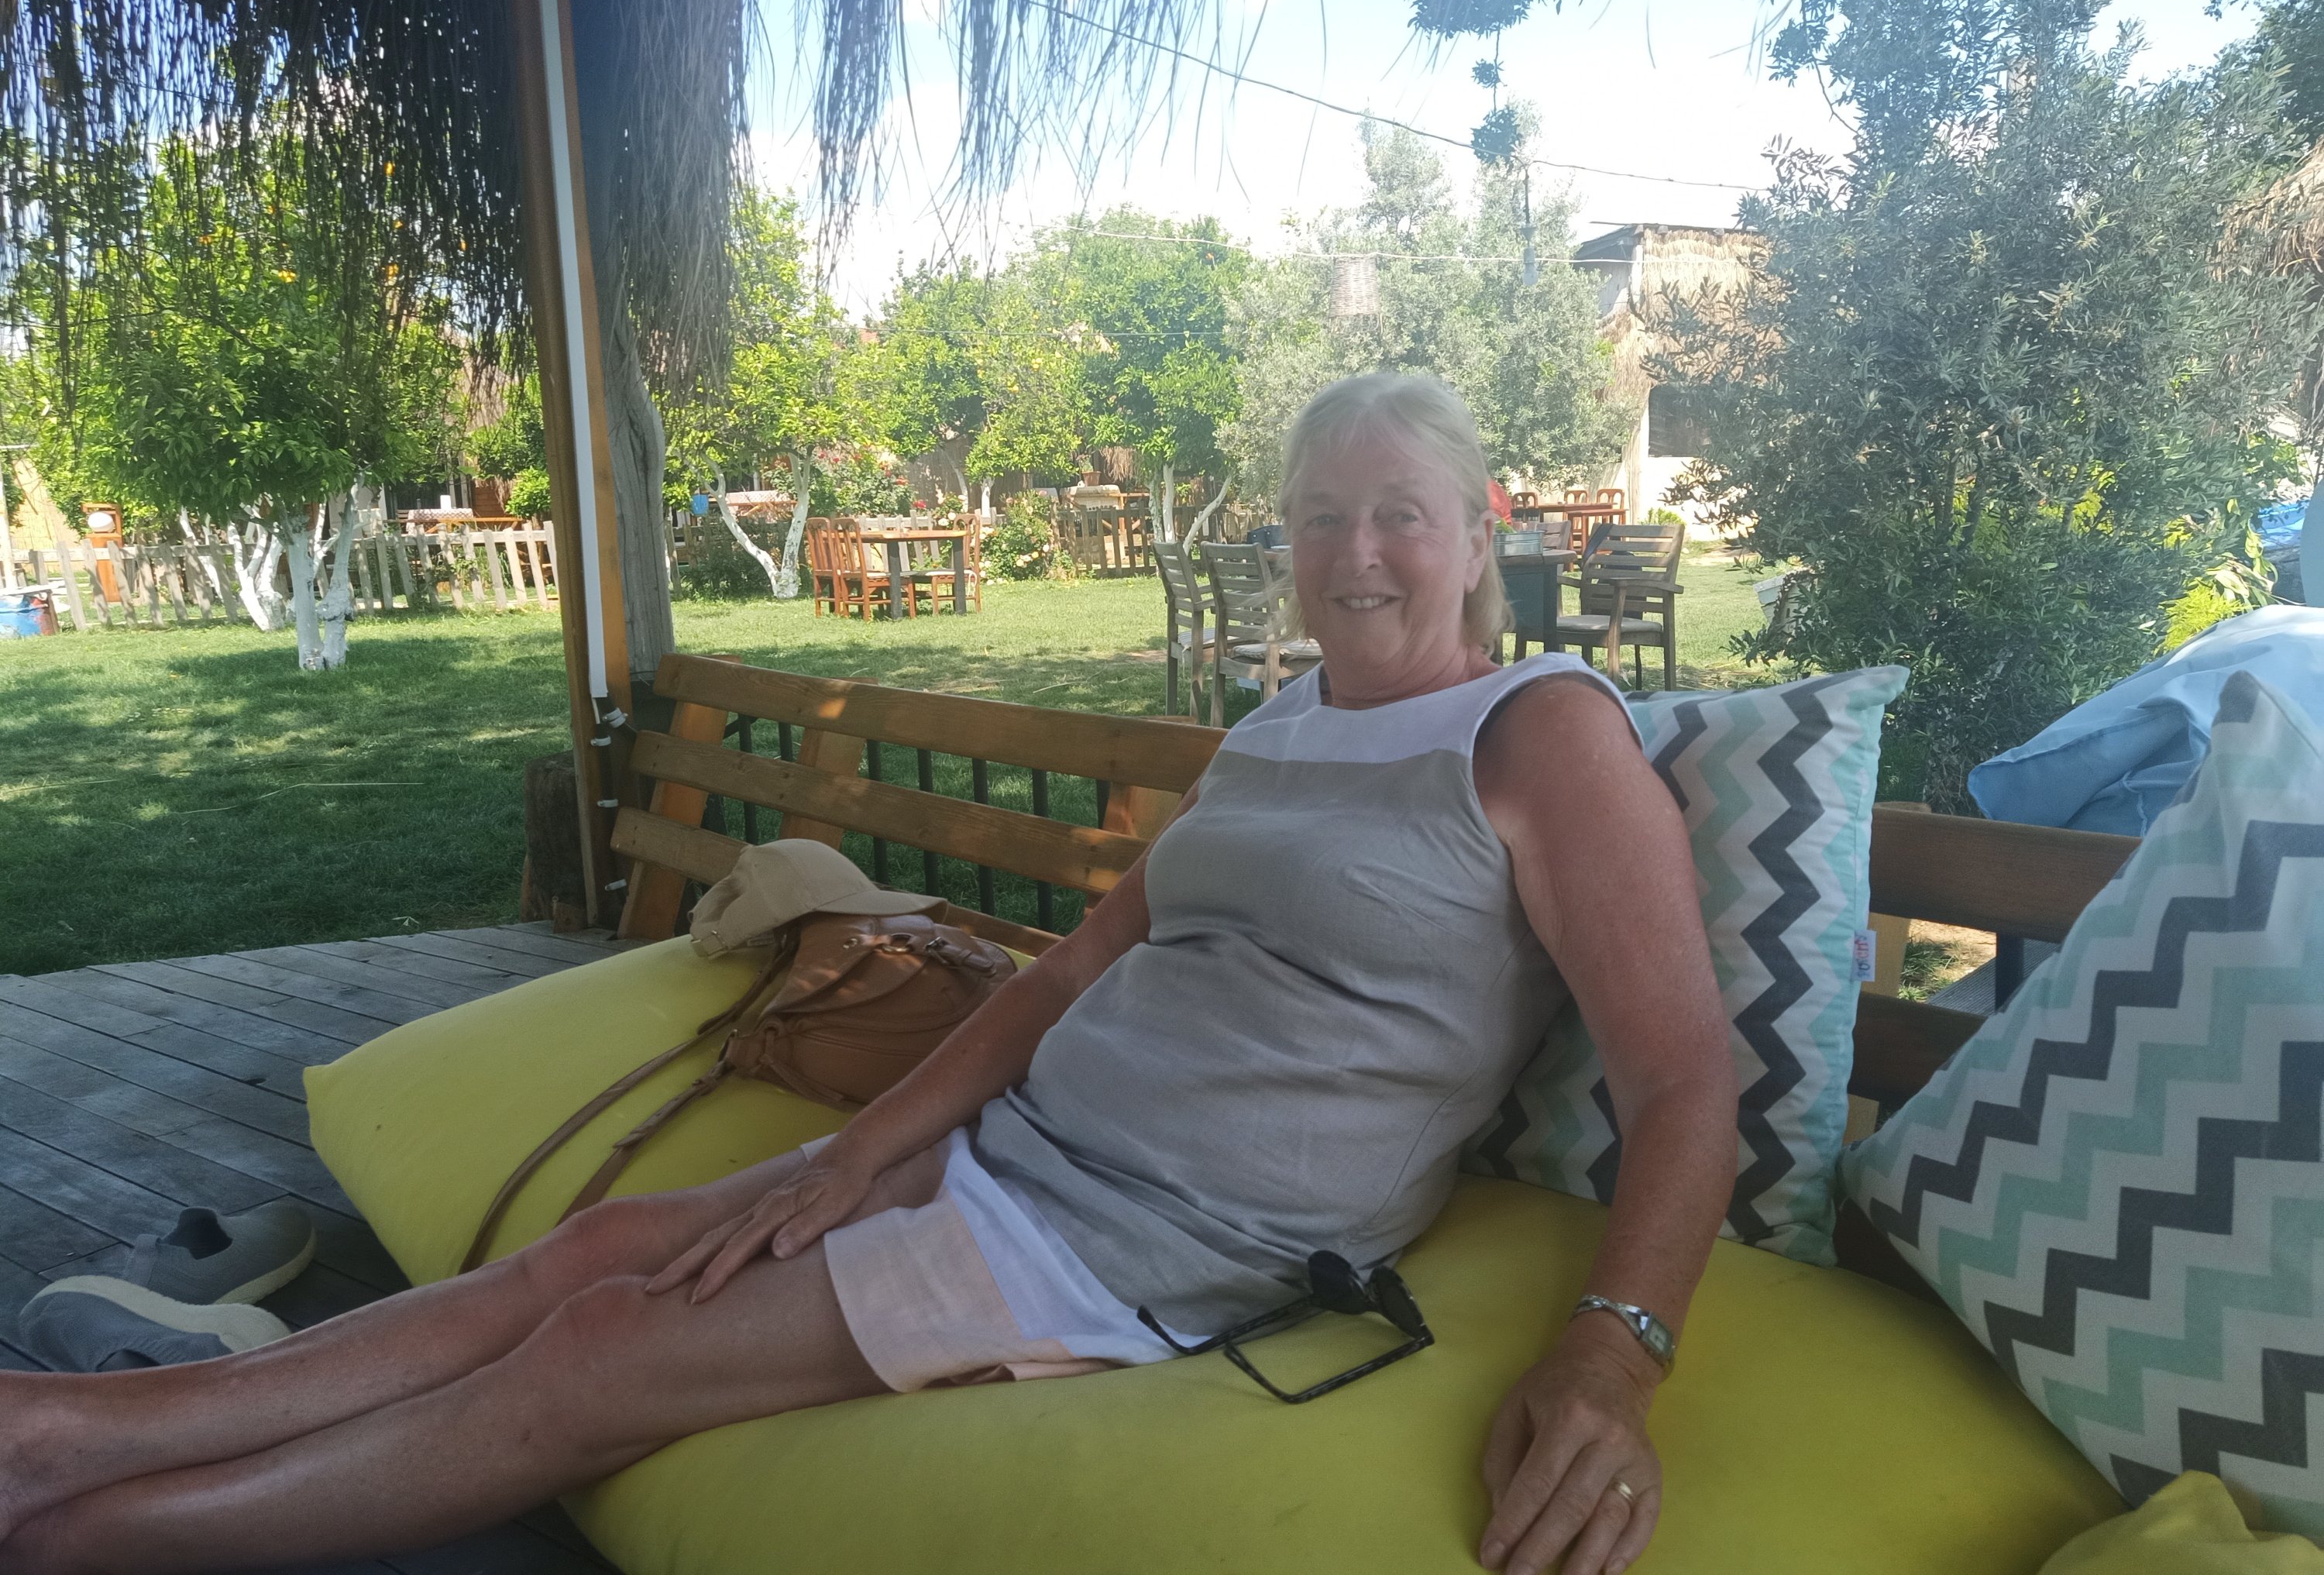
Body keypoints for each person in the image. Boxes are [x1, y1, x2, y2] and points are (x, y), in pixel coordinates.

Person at [0, 373, 1736, 1575]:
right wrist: (857, 1151)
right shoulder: (1279, 726)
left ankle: (82, 1532)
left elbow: (1684, 1079)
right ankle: (75, 1430)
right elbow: (1068, 973)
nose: (1356, 555)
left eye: (1400, 516)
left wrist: (1616, 1354)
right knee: (602, 1245)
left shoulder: (1542, 737)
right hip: (1016, 1153)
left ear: (1481, 525)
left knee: (599, 1349)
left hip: (1150, 1245)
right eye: (1320, 516)